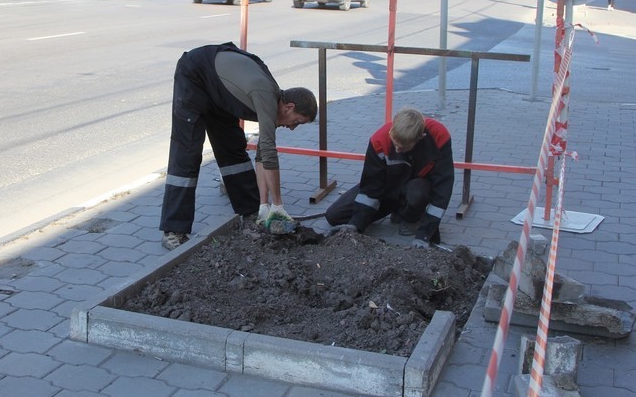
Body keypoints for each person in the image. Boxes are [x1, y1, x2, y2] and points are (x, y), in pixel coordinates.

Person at [159, 42, 318, 250]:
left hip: (219, 91)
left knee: (232, 146)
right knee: (187, 152)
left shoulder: (273, 101)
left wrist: (264, 205)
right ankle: (173, 229)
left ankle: (252, 210)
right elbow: (269, 153)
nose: (292, 128)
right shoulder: (265, 95)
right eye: (296, 122)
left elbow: (263, 152)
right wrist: (277, 205)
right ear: (289, 107)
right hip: (195, 75)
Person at [325, 107, 454, 246]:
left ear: (419, 138)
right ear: (392, 129)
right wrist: (356, 225)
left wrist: (425, 235)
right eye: (395, 143)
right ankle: (396, 208)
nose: (397, 150)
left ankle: (411, 217)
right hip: (387, 187)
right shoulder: (379, 140)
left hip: (417, 189)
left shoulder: (438, 136)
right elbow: (370, 187)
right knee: (334, 216)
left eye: (403, 147)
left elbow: (443, 188)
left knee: (417, 192)